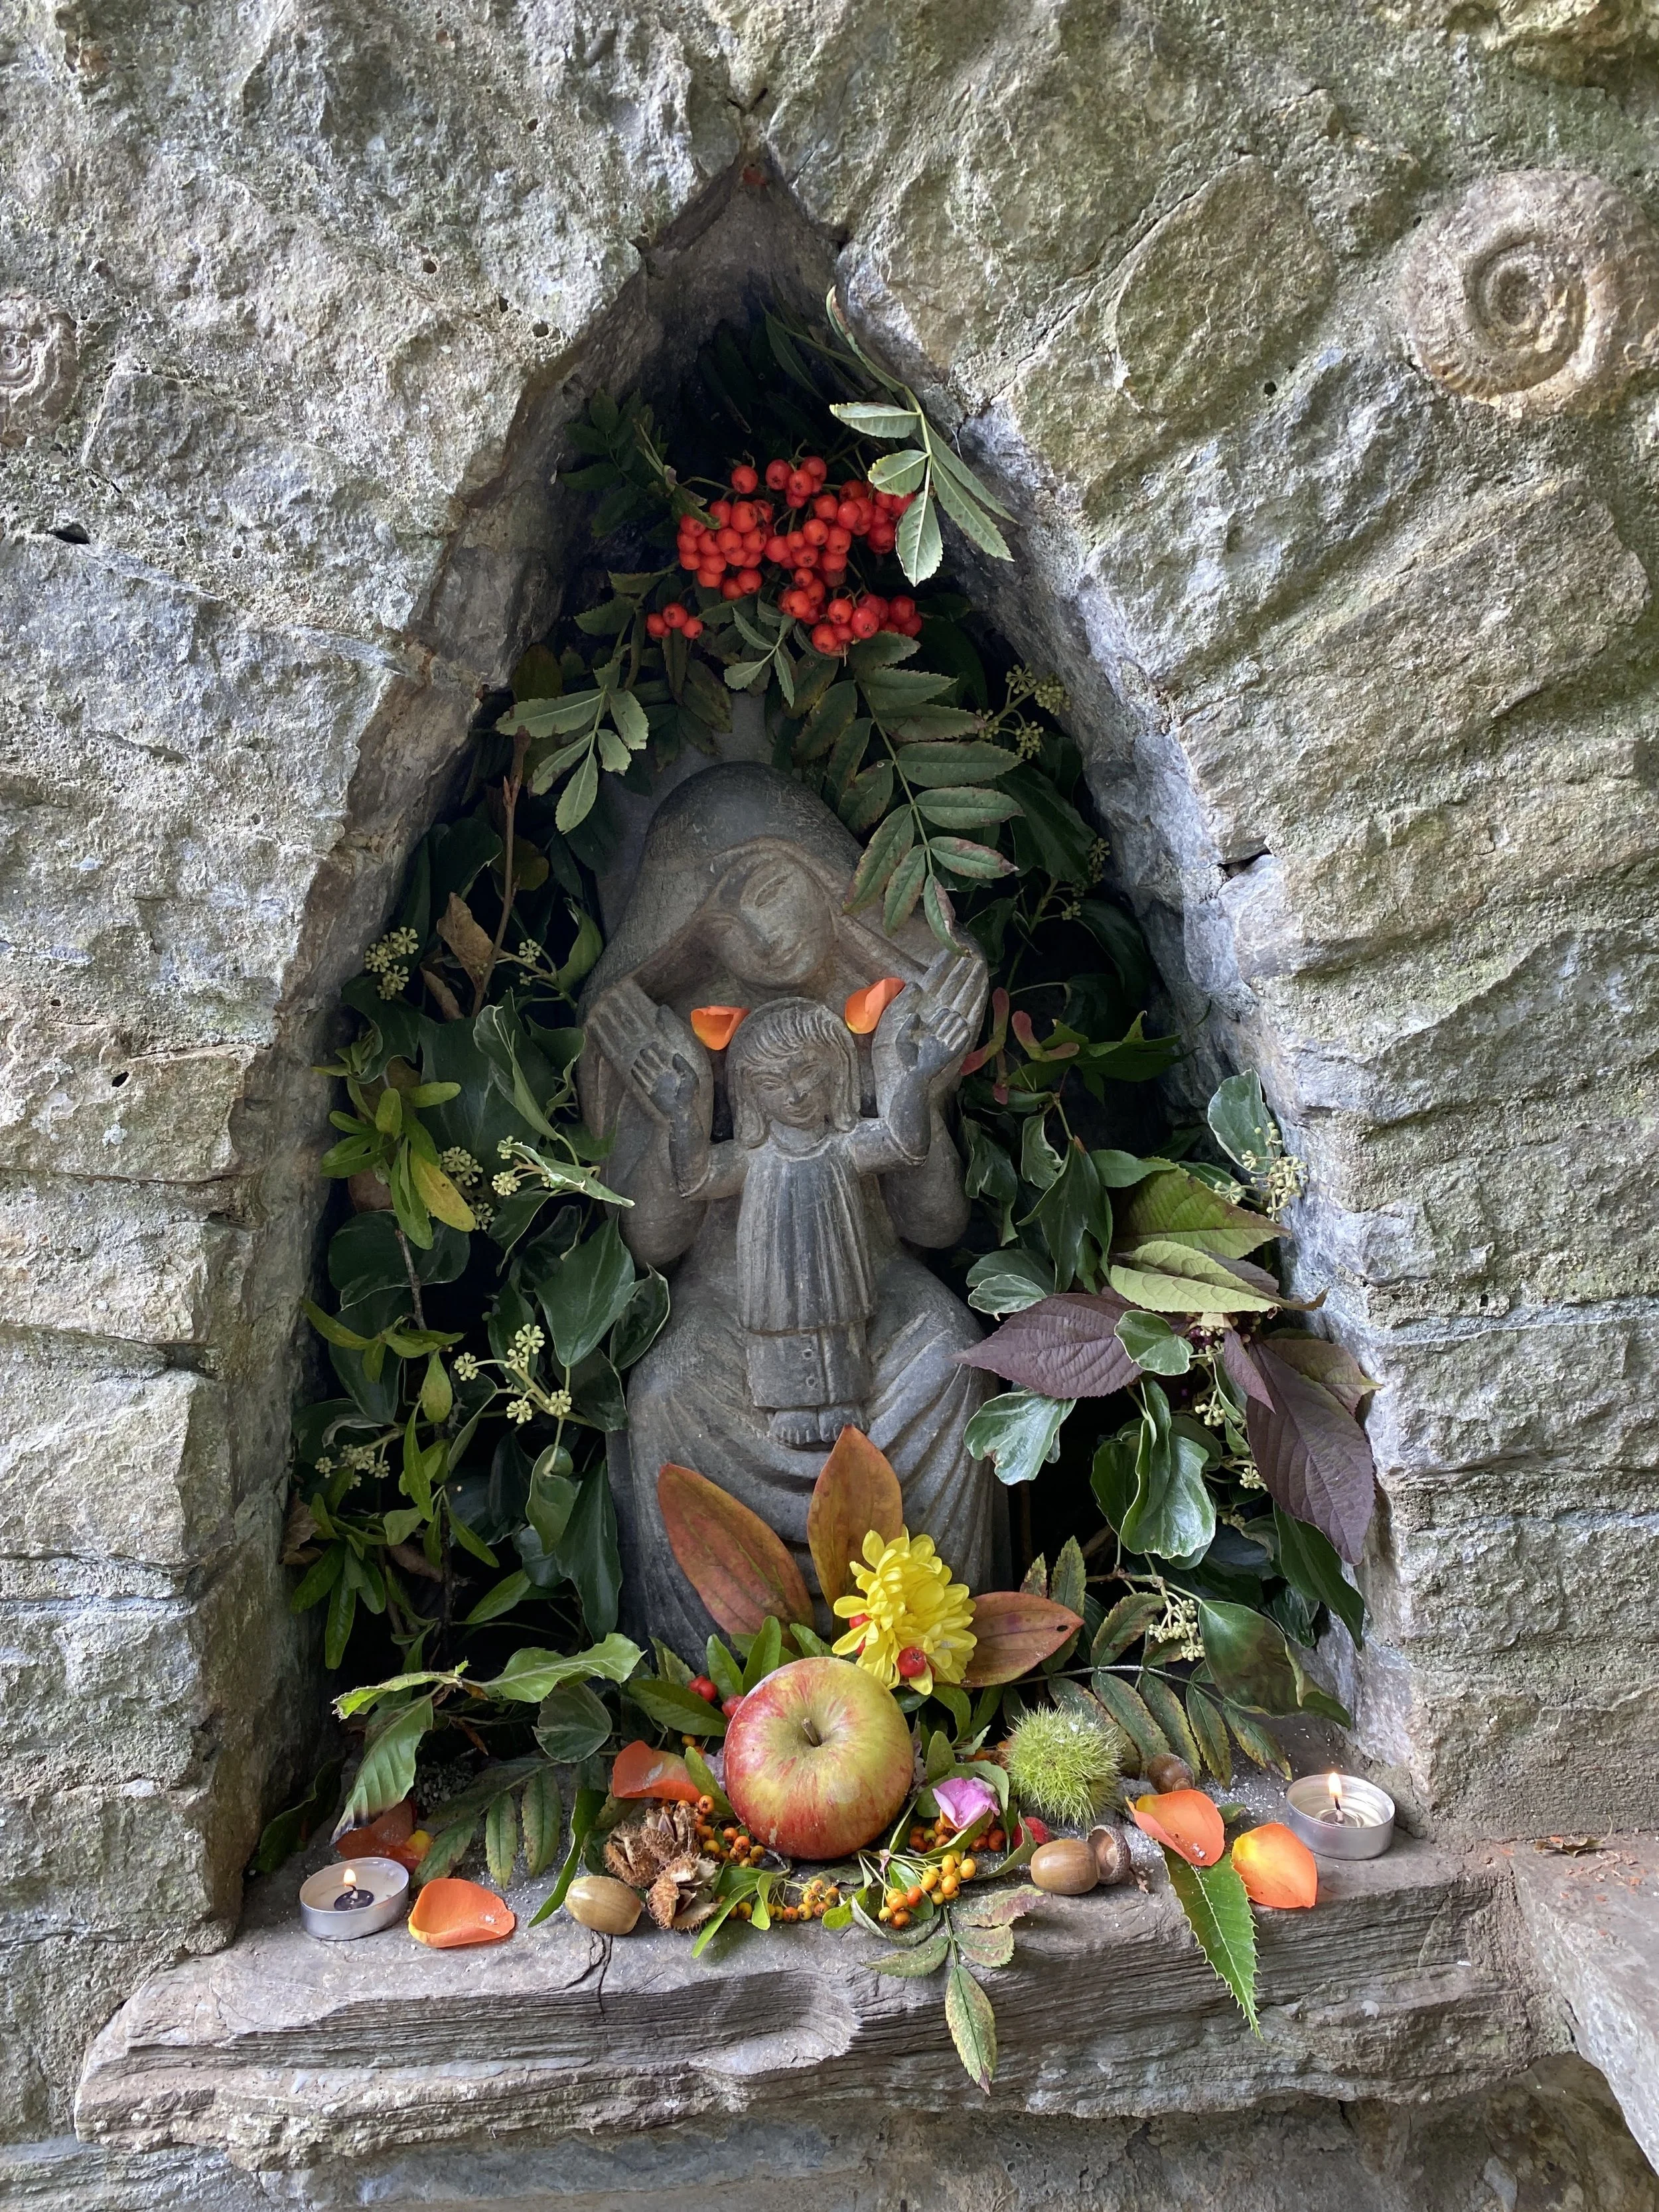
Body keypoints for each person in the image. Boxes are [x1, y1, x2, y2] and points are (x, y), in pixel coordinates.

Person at [579, 762, 1002, 1655]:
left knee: (951, 1361)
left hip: (875, 1305)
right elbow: (650, 1241)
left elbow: (935, 1226)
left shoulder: (892, 1009)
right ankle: (716, 1693)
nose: (758, 933)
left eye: (768, 887)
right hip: (729, 1321)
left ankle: (943, 1663)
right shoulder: (668, 1026)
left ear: (823, 872)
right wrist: (678, 1113)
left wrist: (913, 1088)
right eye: (719, 915)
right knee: (666, 1393)